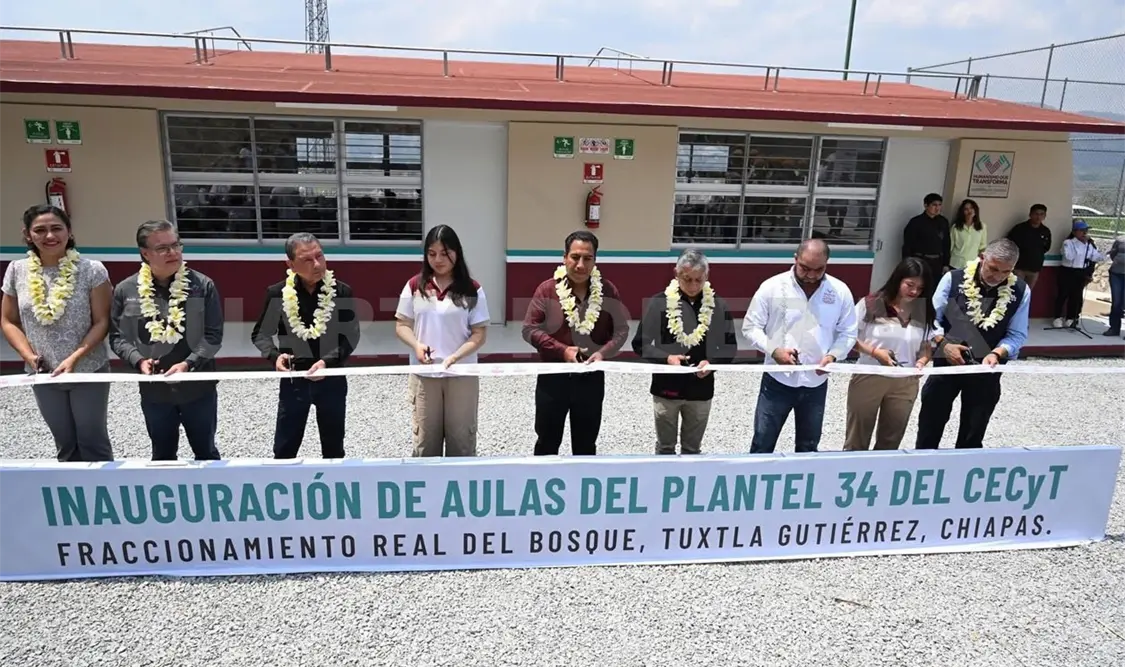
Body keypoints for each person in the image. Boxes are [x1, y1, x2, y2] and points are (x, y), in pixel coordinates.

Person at [1, 204, 114, 462]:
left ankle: (100, 495)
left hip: (87, 368)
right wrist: (29, 356)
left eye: (56, 228)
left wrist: (75, 357)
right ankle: (70, 497)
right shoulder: (16, 270)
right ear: (28, 235)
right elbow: (8, 320)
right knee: (64, 442)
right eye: (40, 230)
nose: (49, 236)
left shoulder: (91, 270)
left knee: (92, 441)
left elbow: (102, 321)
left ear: (69, 231)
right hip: (43, 373)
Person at [109, 220, 224, 461]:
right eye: (163, 248)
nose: (173, 252)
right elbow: (119, 338)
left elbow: (213, 336)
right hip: (155, 393)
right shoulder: (126, 290)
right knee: (162, 456)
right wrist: (138, 361)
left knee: (206, 453)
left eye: (176, 245)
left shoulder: (202, 286)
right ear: (145, 253)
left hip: (197, 389)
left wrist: (188, 363)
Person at [742, 239, 858, 453]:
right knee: (762, 443)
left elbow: (849, 331)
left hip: (816, 382)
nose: (812, 275)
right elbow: (750, 327)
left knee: (808, 446)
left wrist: (833, 356)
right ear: (795, 259)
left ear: (827, 264)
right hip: (777, 380)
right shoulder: (772, 287)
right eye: (805, 268)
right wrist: (774, 350)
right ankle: (756, 483)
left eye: (819, 269)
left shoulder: (840, 291)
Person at [251, 233, 360, 459]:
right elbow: (261, 333)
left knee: (333, 447)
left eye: (319, 256)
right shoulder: (278, 293)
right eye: (307, 260)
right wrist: (274, 356)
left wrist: (327, 362)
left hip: (332, 378)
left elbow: (350, 336)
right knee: (285, 447)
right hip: (293, 379)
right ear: (290, 264)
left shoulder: (341, 292)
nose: (317, 264)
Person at [522, 230, 630, 456]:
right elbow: (529, 329)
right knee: (547, 442)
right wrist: (562, 351)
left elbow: (621, 330)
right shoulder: (547, 289)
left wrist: (603, 353)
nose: (580, 265)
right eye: (575, 257)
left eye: (587, 258)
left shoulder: (608, 290)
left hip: (590, 379)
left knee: (586, 445)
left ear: (595, 260)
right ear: (564, 258)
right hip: (553, 379)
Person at [915, 238, 1030, 450]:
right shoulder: (953, 279)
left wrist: (997, 353)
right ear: (982, 257)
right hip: (946, 365)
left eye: (1006, 272)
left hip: (987, 370)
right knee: (930, 426)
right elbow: (930, 320)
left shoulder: (1021, 291)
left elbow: (1017, 334)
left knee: (973, 432)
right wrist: (944, 344)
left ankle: (963, 474)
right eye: (993, 268)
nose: (997, 277)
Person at [394, 225, 490, 457]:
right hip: (424, 375)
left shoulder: (472, 289)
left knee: (462, 442)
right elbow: (402, 325)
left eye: (445, 252)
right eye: (432, 253)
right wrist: (417, 345)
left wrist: (456, 356)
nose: (438, 259)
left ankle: (462, 490)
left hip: (462, 375)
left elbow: (479, 334)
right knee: (426, 442)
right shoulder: (415, 286)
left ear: (457, 253)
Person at [631, 248, 737, 455]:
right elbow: (640, 343)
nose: (693, 286)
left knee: (692, 449)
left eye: (699, 280)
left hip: (701, 388)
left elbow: (730, 346)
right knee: (665, 447)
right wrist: (666, 358)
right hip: (666, 388)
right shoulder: (659, 302)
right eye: (687, 279)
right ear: (676, 274)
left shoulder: (718, 305)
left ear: (707, 276)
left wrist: (712, 363)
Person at [844, 258, 939, 451]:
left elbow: (927, 344)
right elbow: (848, 338)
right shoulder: (871, 304)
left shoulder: (924, 309)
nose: (914, 292)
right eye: (909, 285)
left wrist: (922, 360)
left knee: (892, 439)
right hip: (869, 376)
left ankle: (883, 477)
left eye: (920, 288)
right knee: (857, 437)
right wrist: (875, 352)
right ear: (897, 279)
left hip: (905, 382)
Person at [1052, 219, 1106, 328]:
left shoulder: (1088, 245)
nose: (1084, 233)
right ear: (1074, 232)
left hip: (1080, 272)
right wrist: (1080, 244)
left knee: (1075, 296)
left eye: (1085, 230)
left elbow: (1096, 256)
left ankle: (1071, 318)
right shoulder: (1068, 243)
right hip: (1068, 271)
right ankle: (1057, 317)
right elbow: (1069, 256)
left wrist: (1104, 254)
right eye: (1081, 230)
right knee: (1063, 294)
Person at [902, 193, 951, 281]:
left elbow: (946, 244)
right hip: (921, 260)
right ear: (926, 206)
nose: (937, 208)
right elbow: (908, 245)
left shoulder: (943, 222)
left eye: (939, 205)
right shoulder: (916, 222)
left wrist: (946, 264)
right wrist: (908, 264)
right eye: (934, 205)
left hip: (937, 262)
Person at [1006, 204, 1052, 290]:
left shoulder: (1045, 231)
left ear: (1045, 216)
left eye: (1041, 214)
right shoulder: (1019, 228)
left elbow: (1046, 247)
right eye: (1036, 214)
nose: (1038, 217)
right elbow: (1009, 244)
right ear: (1030, 214)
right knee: (1016, 291)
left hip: (1034, 268)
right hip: (1019, 267)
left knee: (1027, 293)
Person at [949, 198, 987, 270]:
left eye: (971, 208)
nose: (969, 211)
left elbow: (982, 246)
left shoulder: (982, 226)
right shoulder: (956, 227)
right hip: (956, 263)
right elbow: (950, 246)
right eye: (966, 209)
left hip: (972, 264)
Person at [1105, 233, 1125, 338]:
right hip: (1116, 274)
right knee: (1116, 302)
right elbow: (1113, 254)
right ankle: (1114, 328)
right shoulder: (1120, 240)